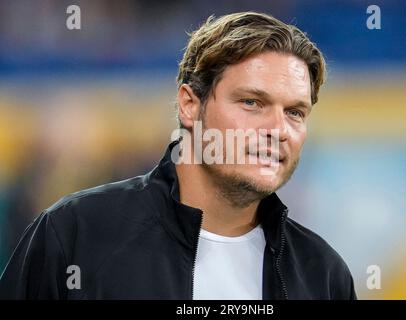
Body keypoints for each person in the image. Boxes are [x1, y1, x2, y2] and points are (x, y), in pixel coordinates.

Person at [0, 12, 356, 300]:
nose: (277, 129)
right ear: (190, 105)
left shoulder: (323, 275)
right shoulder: (74, 234)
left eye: (295, 112)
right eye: (252, 102)